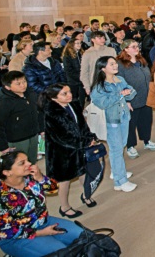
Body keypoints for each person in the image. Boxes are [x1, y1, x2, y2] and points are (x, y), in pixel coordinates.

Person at [0, 151, 85, 257]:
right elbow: (5, 231)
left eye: (27, 160)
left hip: (43, 222)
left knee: (83, 237)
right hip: (16, 238)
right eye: (22, 163)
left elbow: (53, 189)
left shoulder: (30, 178)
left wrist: (40, 177)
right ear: (7, 172)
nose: (29, 164)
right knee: (62, 253)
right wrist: (41, 233)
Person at [39, 84, 98, 218]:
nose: (69, 95)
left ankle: (86, 194)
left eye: (69, 91)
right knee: (64, 181)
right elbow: (62, 137)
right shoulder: (52, 113)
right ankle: (64, 207)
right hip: (61, 154)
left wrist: (89, 137)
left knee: (83, 173)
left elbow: (83, 125)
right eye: (64, 94)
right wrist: (84, 142)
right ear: (54, 98)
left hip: (78, 149)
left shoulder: (74, 105)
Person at [90, 56, 137, 192]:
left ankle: (117, 171)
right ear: (103, 68)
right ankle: (120, 181)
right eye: (111, 64)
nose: (115, 66)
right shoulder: (100, 86)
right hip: (112, 121)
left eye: (115, 63)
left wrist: (128, 93)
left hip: (124, 117)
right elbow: (102, 103)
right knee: (116, 149)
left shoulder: (119, 79)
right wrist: (119, 95)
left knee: (120, 146)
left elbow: (131, 92)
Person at [116, 40, 155, 158]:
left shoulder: (141, 61)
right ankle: (130, 146)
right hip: (131, 100)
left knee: (146, 121)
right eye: (133, 47)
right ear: (125, 49)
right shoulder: (120, 64)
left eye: (137, 46)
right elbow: (120, 83)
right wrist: (126, 100)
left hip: (146, 97)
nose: (137, 48)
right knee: (131, 124)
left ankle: (146, 141)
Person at [0, 71, 43, 163]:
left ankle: (31, 178)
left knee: (32, 163)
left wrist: (42, 129)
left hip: (33, 135)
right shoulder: (3, 102)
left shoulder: (30, 94)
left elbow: (38, 112)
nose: (23, 85)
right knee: (19, 165)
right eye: (18, 83)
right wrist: (2, 146)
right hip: (16, 140)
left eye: (24, 81)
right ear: (8, 86)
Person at [80, 31, 116, 96]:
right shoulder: (87, 53)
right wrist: (87, 87)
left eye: (103, 38)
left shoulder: (111, 50)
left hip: (111, 82)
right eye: (99, 38)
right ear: (93, 40)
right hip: (95, 83)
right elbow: (84, 72)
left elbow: (116, 67)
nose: (103, 40)